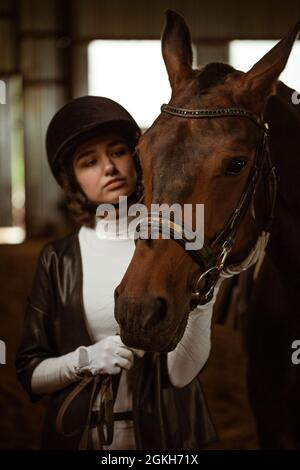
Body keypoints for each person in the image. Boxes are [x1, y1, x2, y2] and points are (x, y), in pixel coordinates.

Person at [15, 96, 218, 450]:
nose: (109, 167)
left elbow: (182, 375)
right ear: (73, 182)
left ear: (138, 158)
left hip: (165, 439)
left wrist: (201, 305)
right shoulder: (56, 259)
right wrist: (84, 360)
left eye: (118, 152)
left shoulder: (177, 247)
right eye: (89, 162)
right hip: (81, 438)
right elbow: (31, 374)